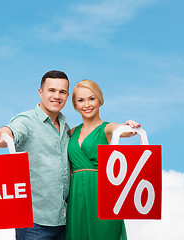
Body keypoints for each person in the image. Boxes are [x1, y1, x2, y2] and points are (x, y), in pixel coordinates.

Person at [0, 70, 71, 240]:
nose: (57, 96)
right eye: (51, 90)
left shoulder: (65, 128)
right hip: (34, 224)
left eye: (62, 92)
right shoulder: (27, 120)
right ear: (40, 92)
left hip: (64, 222)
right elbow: (10, 132)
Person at [65, 79, 141, 240]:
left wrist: (129, 128)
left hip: (102, 195)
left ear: (100, 100)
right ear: (75, 106)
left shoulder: (107, 128)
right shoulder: (72, 132)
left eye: (91, 98)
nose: (87, 104)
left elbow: (120, 130)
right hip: (76, 197)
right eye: (81, 100)